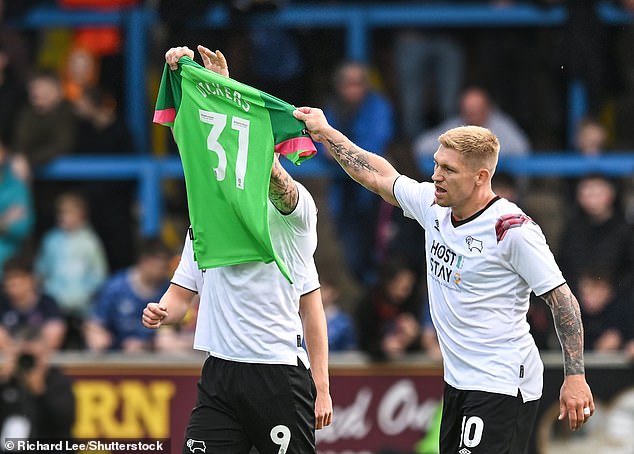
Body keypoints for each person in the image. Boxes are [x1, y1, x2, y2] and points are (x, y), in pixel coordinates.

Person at [293, 106, 594, 453]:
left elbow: (563, 300)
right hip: (458, 381)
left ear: (481, 177)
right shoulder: (434, 207)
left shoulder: (512, 231)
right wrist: (327, 132)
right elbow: (376, 176)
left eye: (448, 169)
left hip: (502, 382)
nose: (436, 175)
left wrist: (575, 377)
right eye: (436, 164)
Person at [143, 45, 332, 454]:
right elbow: (179, 298)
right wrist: (162, 313)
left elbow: (311, 307)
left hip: (278, 373)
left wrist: (322, 386)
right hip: (220, 372)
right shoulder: (207, 224)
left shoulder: (293, 216)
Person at [35, 192, 108, 349]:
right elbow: (42, 270)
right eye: (61, 213)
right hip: (55, 305)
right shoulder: (51, 240)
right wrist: (49, 293)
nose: (63, 217)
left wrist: (85, 295)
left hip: (84, 307)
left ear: (81, 215)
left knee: (92, 339)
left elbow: (99, 274)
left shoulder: (90, 242)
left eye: (68, 213)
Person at [84, 237, 171, 352]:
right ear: (144, 262)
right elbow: (94, 324)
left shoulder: (169, 289)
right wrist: (99, 337)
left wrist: (146, 345)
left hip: (155, 356)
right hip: (116, 355)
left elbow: (172, 331)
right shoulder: (116, 287)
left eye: (165, 267)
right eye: (160, 267)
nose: (163, 272)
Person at [0, 326, 75, 441]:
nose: (28, 362)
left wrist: (40, 391)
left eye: (34, 357)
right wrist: (3, 380)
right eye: (24, 356)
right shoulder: (8, 382)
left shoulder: (59, 382)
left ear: (46, 355)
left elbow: (64, 422)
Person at [413, 87, 530, 159]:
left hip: (496, 184)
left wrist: (479, 154)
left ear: (487, 109)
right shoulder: (457, 125)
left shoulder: (501, 124)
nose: (472, 117)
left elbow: (521, 148)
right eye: (468, 112)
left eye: (476, 111)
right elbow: (422, 146)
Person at [0, 256, 66, 351]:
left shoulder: (48, 303)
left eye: (18, 283)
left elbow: (53, 338)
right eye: (9, 282)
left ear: (31, 280)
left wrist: (31, 350)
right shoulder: (2, 304)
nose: (13, 288)